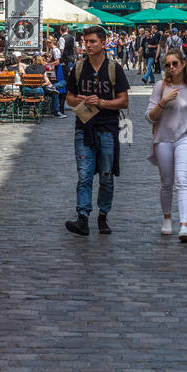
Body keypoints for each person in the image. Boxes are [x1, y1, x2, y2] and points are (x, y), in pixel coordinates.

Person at [65, 27, 130, 237]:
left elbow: (124, 101)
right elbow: (69, 98)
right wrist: (83, 99)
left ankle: (103, 215)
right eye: (86, 41)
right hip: (84, 127)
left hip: (108, 128)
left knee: (106, 175)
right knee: (84, 175)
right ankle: (82, 217)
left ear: (103, 43)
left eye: (92, 41)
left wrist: (102, 102)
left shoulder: (114, 69)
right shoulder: (79, 67)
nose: (88, 45)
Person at [146, 46, 187, 243]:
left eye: (175, 63)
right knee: (167, 182)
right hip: (163, 139)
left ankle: (184, 225)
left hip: (185, 137)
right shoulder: (160, 87)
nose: (171, 67)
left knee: (182, 179)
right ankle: (167, 218)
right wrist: (163, 101)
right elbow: (150, 117)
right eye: (167, 64)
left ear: (183, 63)